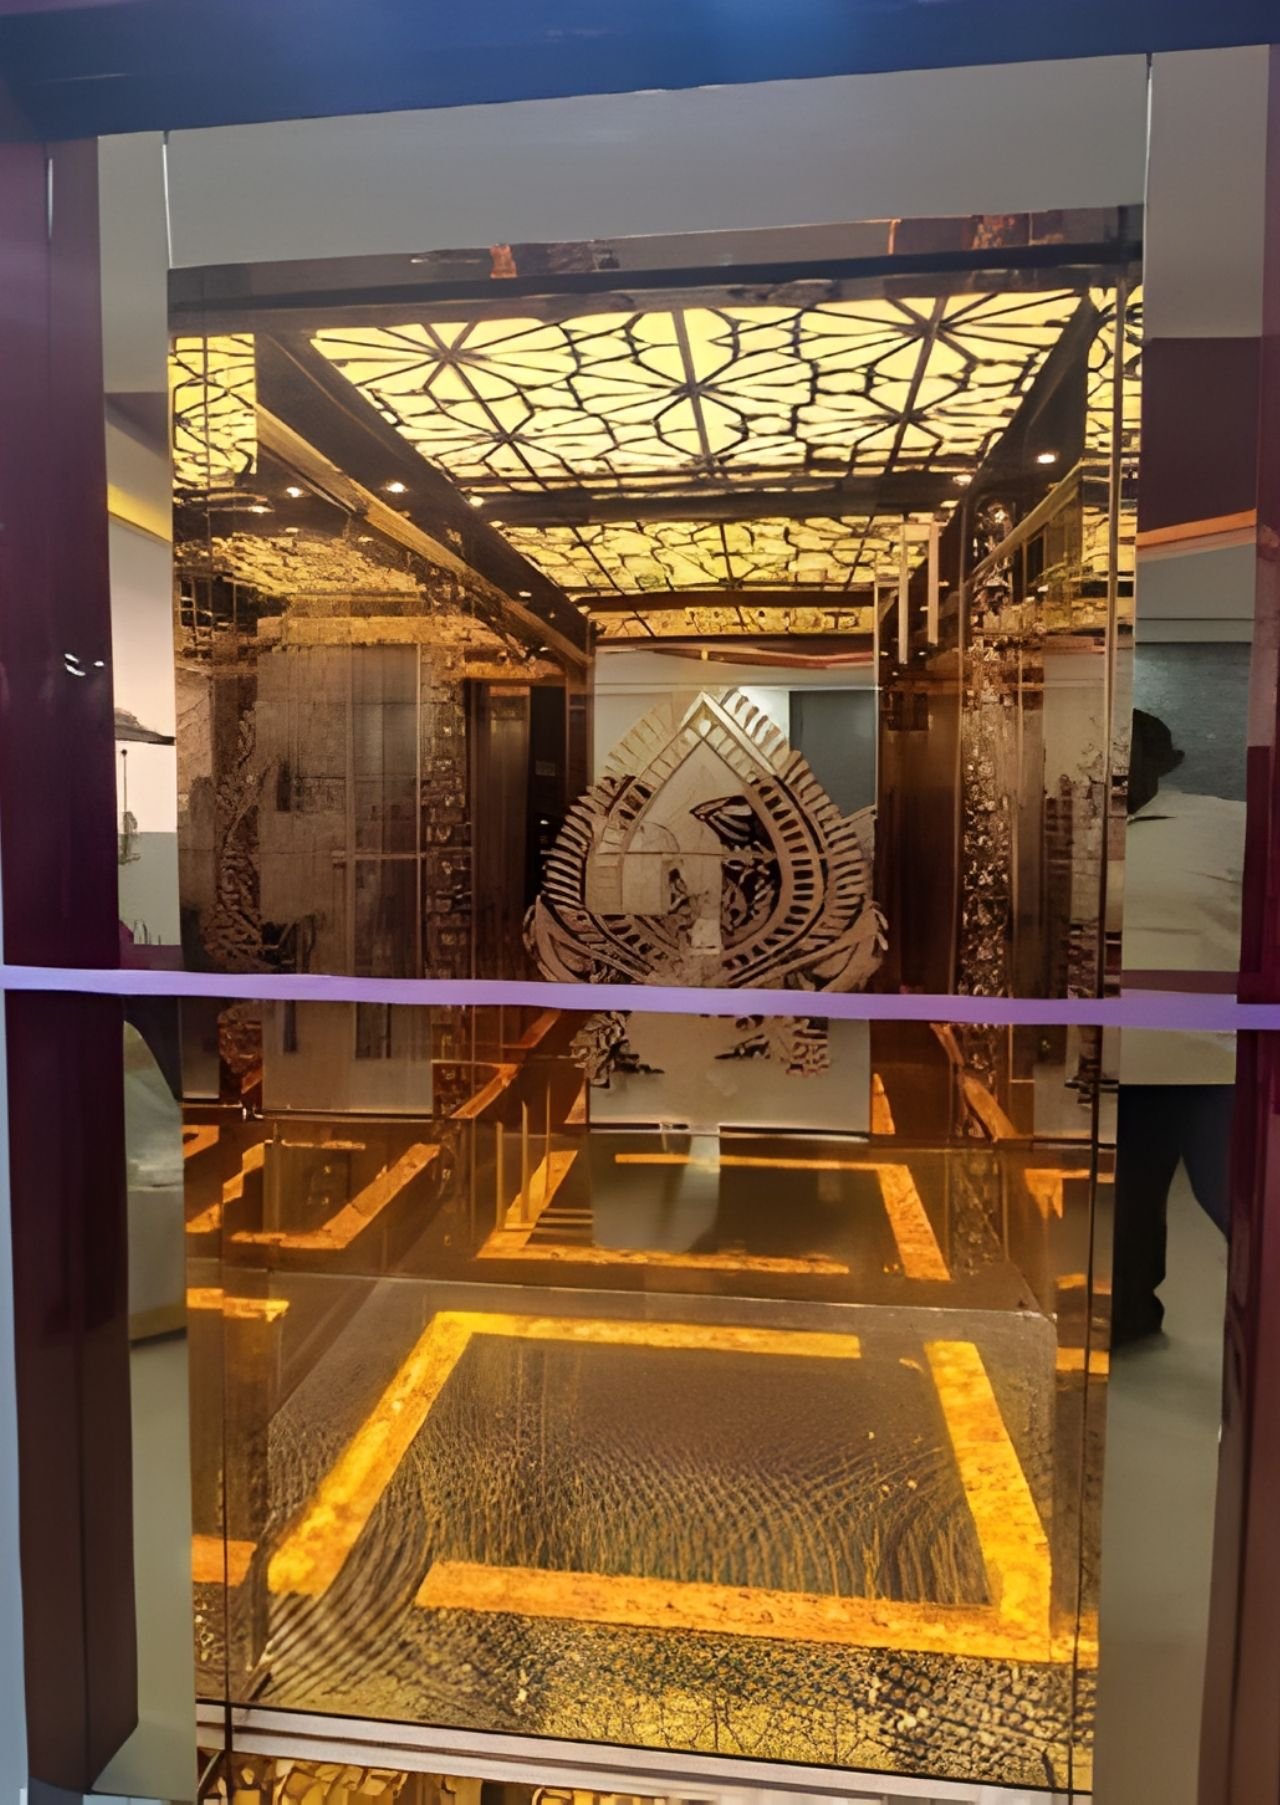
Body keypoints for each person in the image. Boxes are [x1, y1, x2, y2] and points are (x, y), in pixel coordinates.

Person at [1112, 709, 1244, 1345]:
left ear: (1163, 763)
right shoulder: (1076, 823)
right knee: (1128, 1202)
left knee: (1236, 1200)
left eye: (1131, 754)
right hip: (1123, 1061)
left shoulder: (1229, 824)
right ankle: (1131, 1319)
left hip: (1214, 1061)